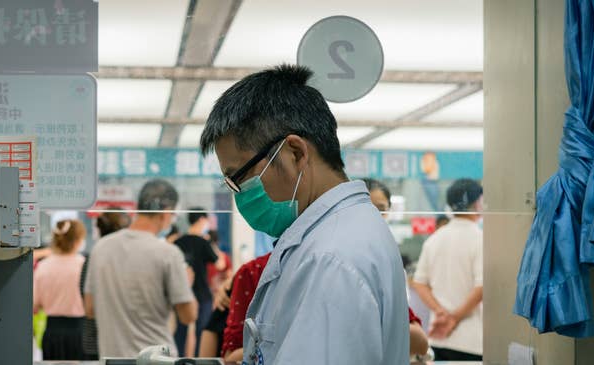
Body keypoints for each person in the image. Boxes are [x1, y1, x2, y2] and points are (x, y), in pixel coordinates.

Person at [199, 64, 409, 364]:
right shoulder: (334, 237)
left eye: (240, 176)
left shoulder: (332, 258)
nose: (240, 193)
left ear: (295, 152)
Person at [84, 179, 198, 357]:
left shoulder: (100, 248)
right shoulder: (168, 253)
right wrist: (186, 283)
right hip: (157, 360)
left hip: (113, 359)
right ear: (166, 212)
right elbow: (188, 315)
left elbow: (90, 309)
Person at [413, 178, 484, 361]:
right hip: (472, 340)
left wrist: (440, 312)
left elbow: (419, 283)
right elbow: (481, 287)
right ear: (477, 203)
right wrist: (454, 318)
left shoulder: (434, 239)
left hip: (438, 338)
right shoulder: (480, 239)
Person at [364, 178, 429, 358]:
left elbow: (419, 342)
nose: (374, 215)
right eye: (365, 207)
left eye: (381, 209)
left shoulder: (387, 255)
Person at [79, 210, 131, 360]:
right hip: (125, 338)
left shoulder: (93, 257)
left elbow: (86, 299)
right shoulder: (130, 258)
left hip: (95, 338)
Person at [33, 219, 87, 360]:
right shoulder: (84, 265)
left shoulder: (44, 266)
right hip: (80, 332)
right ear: (78, 240)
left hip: (52, 331)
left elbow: (34, 305)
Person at [173, 208, 220, 356]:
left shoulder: (178, 242)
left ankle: (177, 360)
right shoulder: (203, 242)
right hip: (202, 293)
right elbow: (219, 263)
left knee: (180, 332)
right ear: (201, 220)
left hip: (181, 292)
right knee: (202, 332)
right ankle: (200, 361)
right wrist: (209, 242)